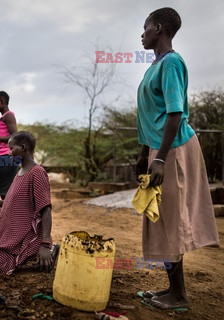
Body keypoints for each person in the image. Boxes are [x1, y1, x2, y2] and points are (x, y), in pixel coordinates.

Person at [135, 7, 220, 310]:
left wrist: (160, 159)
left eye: (145, 28)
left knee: (171, 217)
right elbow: (151, 115)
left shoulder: (171, 63)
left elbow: (174, 114)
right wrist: (144, 153)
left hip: (173, 150)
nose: (141, 34)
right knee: (159, 217)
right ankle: (172, 289)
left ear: (159, 28)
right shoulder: (155, 65)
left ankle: (179, 296)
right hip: (158, 150)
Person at [0, 131, 58, 275]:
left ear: (23, 147)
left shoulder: (37, 173)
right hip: (8, 237)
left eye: (12, 149)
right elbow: (13, 202)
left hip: (24, 237)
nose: (10, 153)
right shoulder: (19, 173)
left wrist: (44, 244)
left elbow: (46, 208)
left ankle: (48, 251)